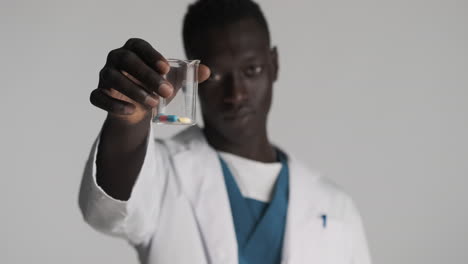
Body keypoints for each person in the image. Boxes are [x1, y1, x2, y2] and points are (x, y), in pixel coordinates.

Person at [79, 0, 372, 263]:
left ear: (274, 65)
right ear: (194, 77)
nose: (237, 94)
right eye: (216, 75)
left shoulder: (335, 207)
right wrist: (128, 118)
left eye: (252, 70)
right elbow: (106, 211)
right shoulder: (164, 174)